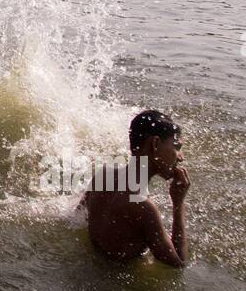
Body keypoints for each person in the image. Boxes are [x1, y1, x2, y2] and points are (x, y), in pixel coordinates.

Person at [80, 110, 190, 268]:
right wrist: (179, 204)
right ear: (155, 144)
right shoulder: (143, 206)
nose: (180, 156)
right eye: (176, 147)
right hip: (113, 287)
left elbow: (78, 216)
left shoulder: (104, 175)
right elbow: (178, 264)